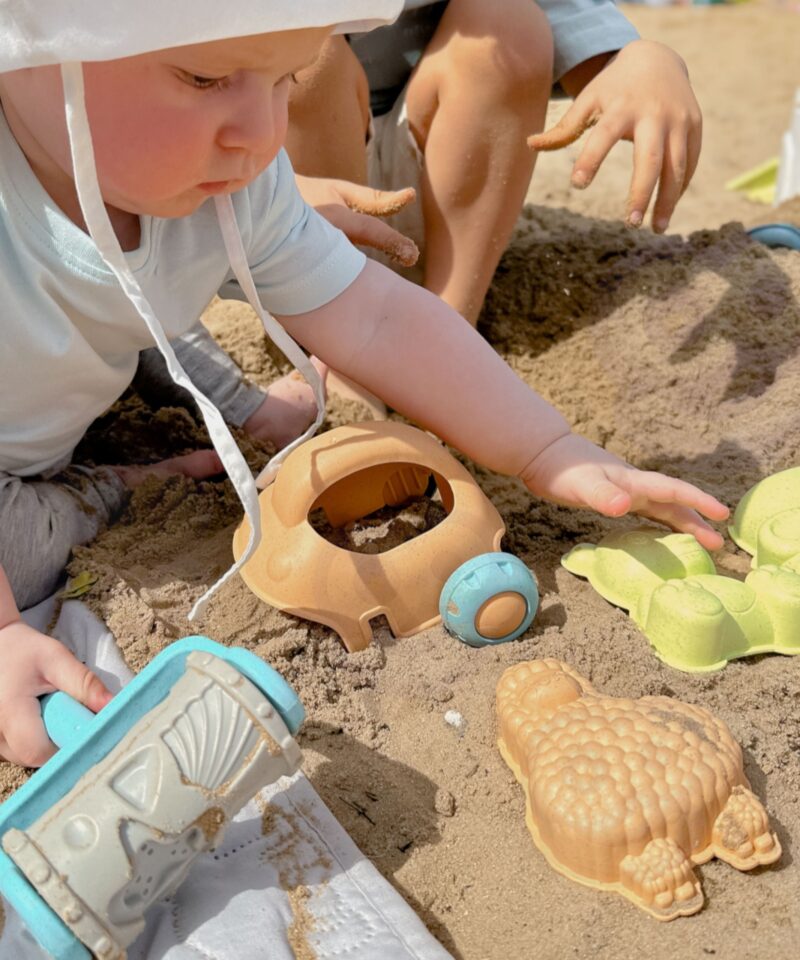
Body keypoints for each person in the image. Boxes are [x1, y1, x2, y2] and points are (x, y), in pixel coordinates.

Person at [0, 0, 726, 770]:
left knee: (157, 320)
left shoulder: (226, 178)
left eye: (283, 80)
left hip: (68, 371)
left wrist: (549, 448)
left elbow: (375, 316)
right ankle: (114, 486)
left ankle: (245, 412)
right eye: (205, 76)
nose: (262, 132)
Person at [286, 0, 703, 325]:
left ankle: (449, 324)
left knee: (507, 21)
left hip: (432, 188)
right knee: (303, 53)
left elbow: (602, 56)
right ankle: (336, 344)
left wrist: (647, 60)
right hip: (282, 208)